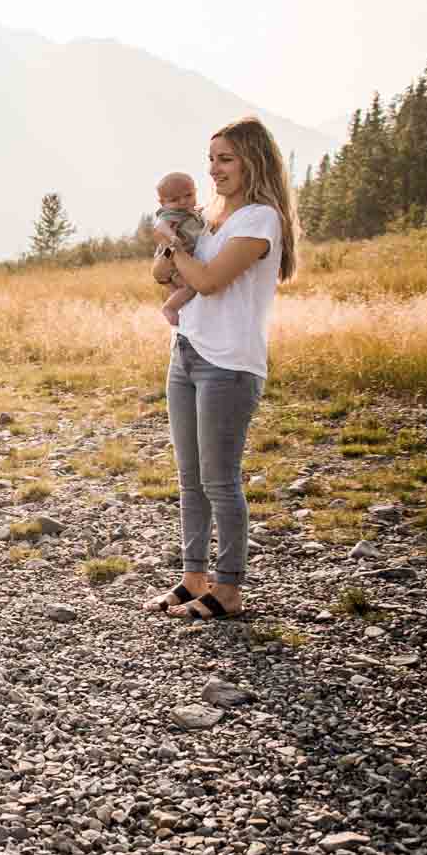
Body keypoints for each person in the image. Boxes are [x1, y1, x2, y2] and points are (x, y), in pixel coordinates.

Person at [142, 117, 300, 621]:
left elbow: (207, 281)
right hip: (186, 351)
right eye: (211, 159)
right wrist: (169, 250)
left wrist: (175, 246)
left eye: (226, 159)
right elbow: (161, 275)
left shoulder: (260, 219)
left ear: (254, 160)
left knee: (219, 480)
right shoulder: (210, 216)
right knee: (190, 478)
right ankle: (194, 579)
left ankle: (228, 588)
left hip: (228, 364)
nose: (214, 170)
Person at [154, 171, 207, 327]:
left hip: (178, 260)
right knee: (190, 287)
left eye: (188, 195)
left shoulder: (191, 212)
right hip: (171, 258)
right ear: (162, 203)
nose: (183, 201)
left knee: (180, 289)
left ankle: (179, 307)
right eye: (175, 199)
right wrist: (172, 237)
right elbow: (160, 226)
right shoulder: (171, 214)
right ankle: (170, 308)